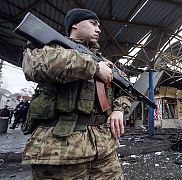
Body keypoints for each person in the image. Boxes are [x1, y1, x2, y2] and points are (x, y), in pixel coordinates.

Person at [21, 8, 132, 179]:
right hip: (59, 152)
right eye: (93, 23)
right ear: (75, 24)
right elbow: (35, 66)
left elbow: (127, 89)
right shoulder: (50, 46)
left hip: (104, 151)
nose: (99, 29)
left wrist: (119, 109)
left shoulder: (105, 63)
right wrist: (93, 68)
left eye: (99, 25)